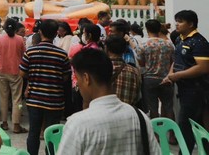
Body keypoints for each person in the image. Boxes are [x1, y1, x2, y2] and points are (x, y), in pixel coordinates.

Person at [57, 49, 160, 154]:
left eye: (77, 79)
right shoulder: (140, 117)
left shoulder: (78, 124)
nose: (77, 85)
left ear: (86, 78)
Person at [19, 19, 70, 155]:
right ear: (56, 34)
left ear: (40, 32)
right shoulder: (62, 54)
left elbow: (22, 73)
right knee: (52, 132)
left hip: (34, 98)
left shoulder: (30, 52)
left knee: (34, 132)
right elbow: (66, 77)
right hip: (54, 100)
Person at [162, 9, 209, 152]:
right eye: (177, 21)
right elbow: (176, 60)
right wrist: (170, 75)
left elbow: (203, 68)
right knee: (197, 124)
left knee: (185, 125)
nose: (177, 24)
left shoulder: (199, 42)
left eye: (180, 21)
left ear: (191, 24)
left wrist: (179, 75)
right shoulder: (179, 39)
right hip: (183, 89)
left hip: (195, 90)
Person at [138, 19, 174, 119]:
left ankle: (155, 134)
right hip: (166, 78)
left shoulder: (143, 45)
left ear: (147, 29)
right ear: (159, 29)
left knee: (153, 108)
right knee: (168, 107)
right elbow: (173, 62)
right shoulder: (169, 44)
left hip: (149, 79)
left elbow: (141, 63)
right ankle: (172, 134)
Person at [0, 18, 26, 133]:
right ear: (16, 28)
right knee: (17, 99)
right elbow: (23, 54)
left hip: (2, 71)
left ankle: (4, 123)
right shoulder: (20, 40)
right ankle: (16, 125)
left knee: (3, 98)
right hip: (16, 72)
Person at [105, 35, 141, 106]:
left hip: (104, 113)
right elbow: (137, 97)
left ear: (106, 49)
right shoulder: (134, 71)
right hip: (127, 113)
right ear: (124, 50)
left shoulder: (99, 69)